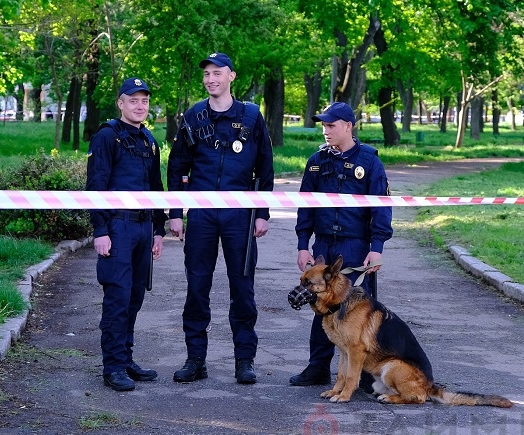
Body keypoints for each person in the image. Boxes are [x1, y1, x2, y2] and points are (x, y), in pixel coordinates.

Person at [167, 52, 274, 384]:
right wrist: (174, 214)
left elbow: (266, 168)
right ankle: (195, 359)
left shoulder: (252, 117)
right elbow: (176, 167)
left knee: (242, 289)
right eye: (207, 75)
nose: (211, 79)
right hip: (201, 214)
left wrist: (263, 213)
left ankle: (244, 360)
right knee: (197, 287)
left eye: (217, 73)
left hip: (239, 215)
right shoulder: (194, 116)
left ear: (231, 76)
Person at [291, 102, 393, 387]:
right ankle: (317, 367)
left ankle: (362, 374)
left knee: (359, 312)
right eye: (323, 126)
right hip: (324, 246)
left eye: (331, 125)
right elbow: (305, 207)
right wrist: (303, 244)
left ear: (348, 126)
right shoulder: (316, 161)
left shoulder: (370, 161)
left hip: (356, 247)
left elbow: (381, 208)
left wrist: (377, 247)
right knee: (321, 306)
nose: (326, 131)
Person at [86, 77, 168, 391]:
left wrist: (158, 230)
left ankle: (126, 358)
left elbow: (156, 188)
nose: (139, 105)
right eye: (133, 100)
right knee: (118, 298)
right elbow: (95, 186)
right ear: (120, 103)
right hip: (117, 227)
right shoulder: (107, 137)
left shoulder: (149, 140)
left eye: (144, 100)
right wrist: (100, 230)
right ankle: (113, 367)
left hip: (143, 228)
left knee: (134, 298)